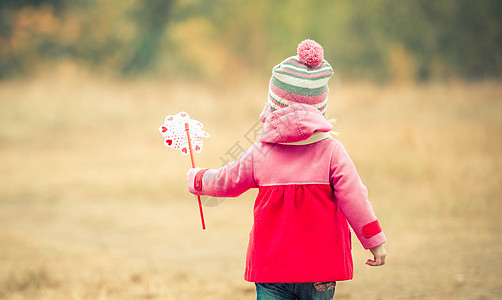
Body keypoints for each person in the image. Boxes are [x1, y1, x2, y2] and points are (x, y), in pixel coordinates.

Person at [187, 39, 387, 300]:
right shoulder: (332, 151)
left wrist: (198, 179)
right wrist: (375, 241)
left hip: (271, 269)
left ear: (274, 104)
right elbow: (355, 199)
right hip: (321, 270)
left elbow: (228, 181)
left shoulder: (261, 152)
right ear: (320, 107)